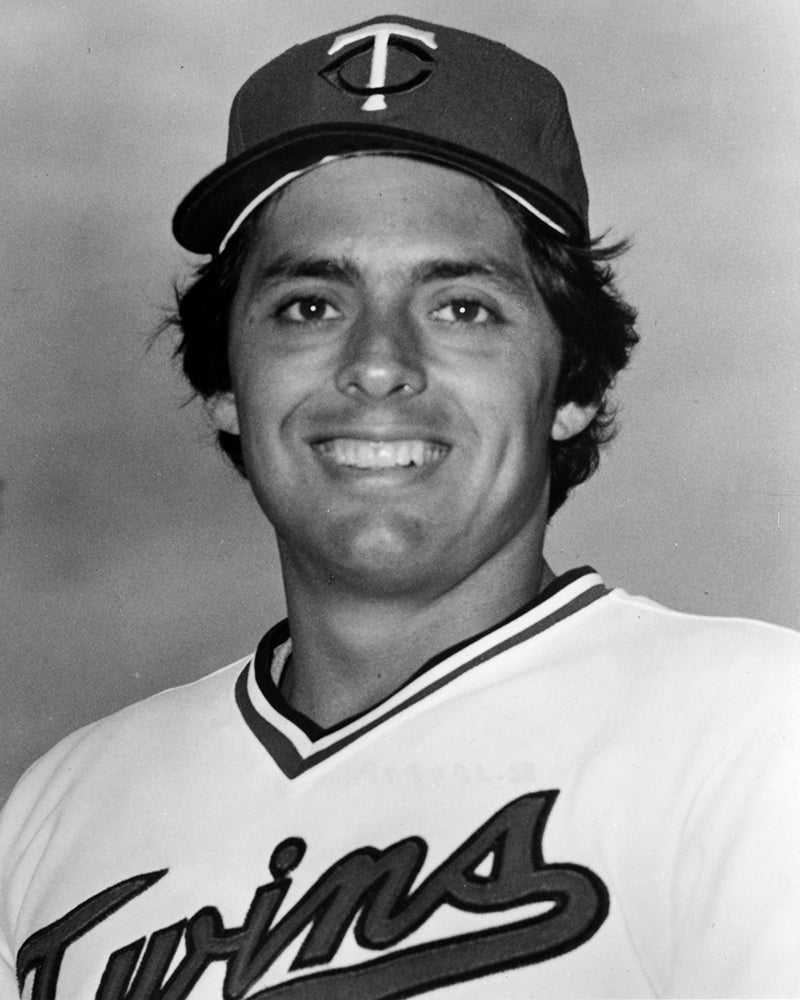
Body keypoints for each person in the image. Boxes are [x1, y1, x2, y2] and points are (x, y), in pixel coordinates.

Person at [1, 14, 798, 999]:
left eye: (460, 306)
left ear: (573, 383)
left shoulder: (752, 733)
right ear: (223, 382)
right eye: (310, 305)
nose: (378, 363)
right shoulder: (57, 812)